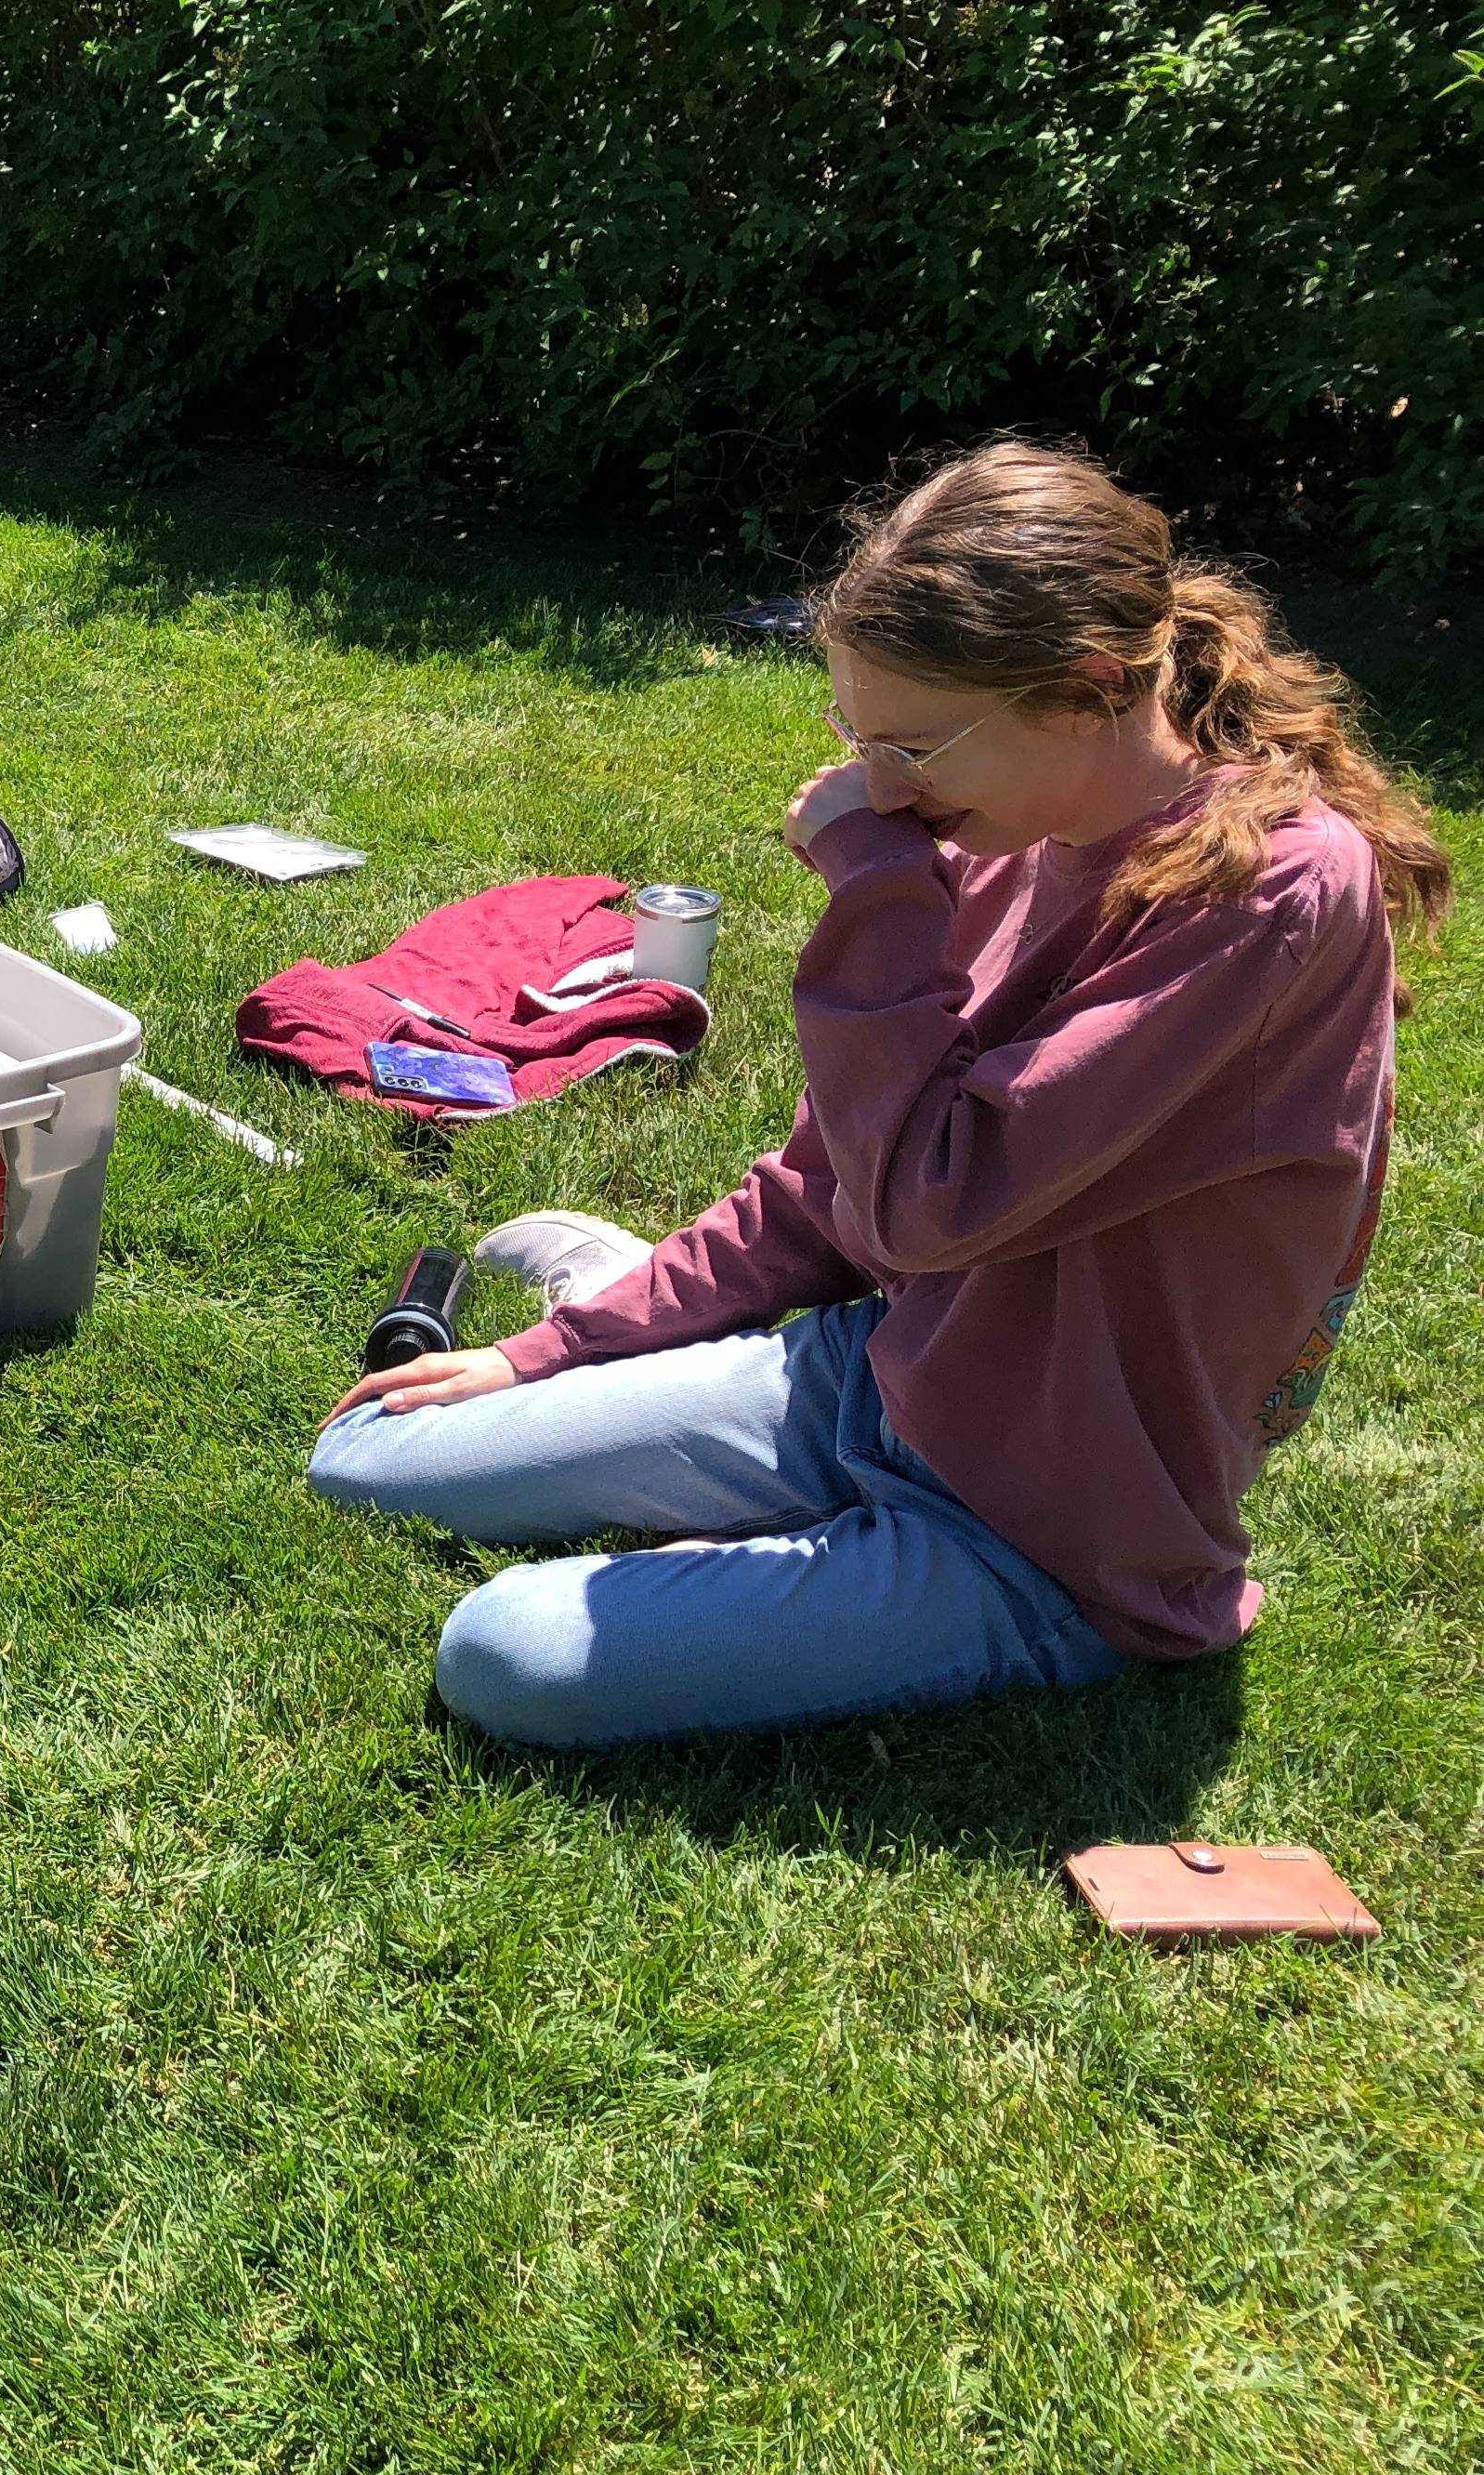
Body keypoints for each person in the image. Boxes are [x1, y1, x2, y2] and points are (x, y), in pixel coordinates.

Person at [309, 441, 1449, 1747]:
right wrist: (543, 1353)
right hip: (884, 1381)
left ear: (1084, 688)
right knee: (371, 1458)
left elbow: (926, 1205)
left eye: (911, 744)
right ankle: (623, 1303)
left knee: (504, 1654)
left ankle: (947, 1582)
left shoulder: (1270, 893)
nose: (877, 786)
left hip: (1050, 1526)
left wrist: (879, 888)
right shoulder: (1015, 824)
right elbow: (831, 1185)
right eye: (857, 736)